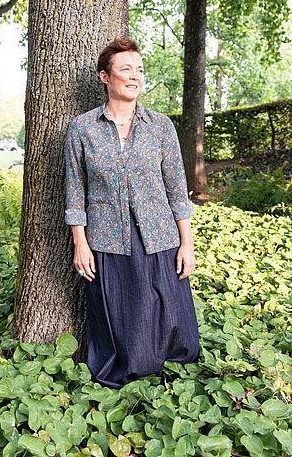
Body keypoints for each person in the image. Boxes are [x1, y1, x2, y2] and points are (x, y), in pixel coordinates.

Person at [64, 36, 200, 389]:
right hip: (107, 238)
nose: (134, 76)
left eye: (139, 70)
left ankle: (173, 367)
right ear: (104, 77)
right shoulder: (82, 129)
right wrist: (80, 243)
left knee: (166, 307)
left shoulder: (161, 127)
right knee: (121, 312)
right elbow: (75, 192)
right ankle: (128, 368)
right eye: (126, 69)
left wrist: (187, 244)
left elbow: (176, 189)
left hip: (159, 234)